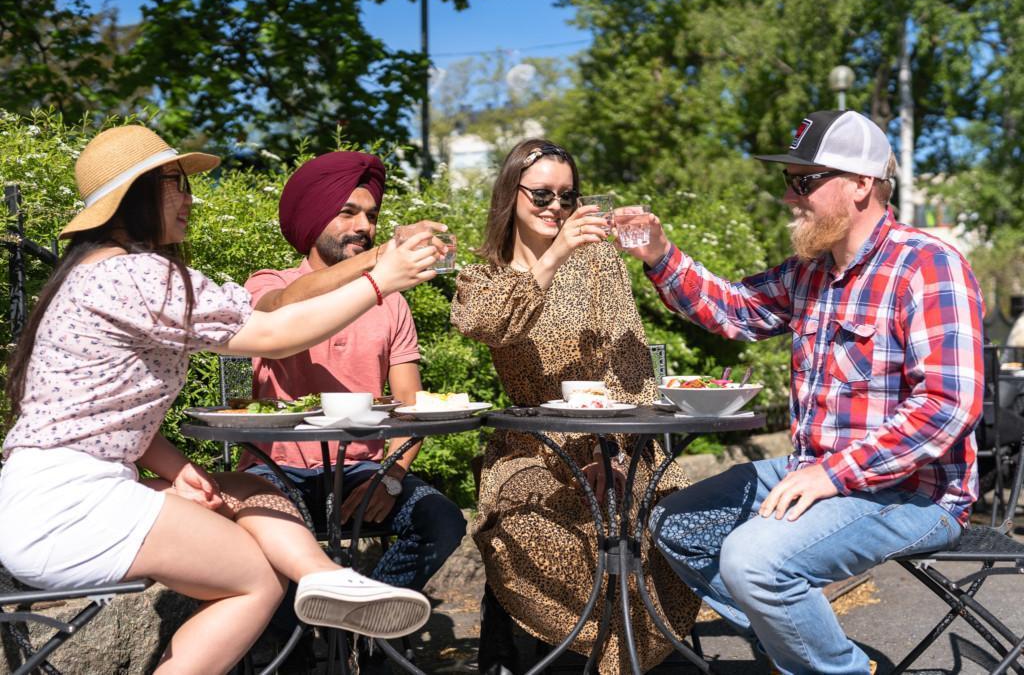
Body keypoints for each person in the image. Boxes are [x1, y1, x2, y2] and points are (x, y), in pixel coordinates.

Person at [0, 125, 443, 675]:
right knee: (255, 580)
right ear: (136, 193)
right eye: (176, 183)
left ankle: (327, 578)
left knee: (247, 488)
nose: (189, 197)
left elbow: (103, 414)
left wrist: (178, 467)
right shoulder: (134, 275)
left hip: (54, 492)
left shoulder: (90, 272)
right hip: (69, 509)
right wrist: (383, 279)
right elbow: (274, 330)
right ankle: (322, 583)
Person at [622, 110, 984, 675]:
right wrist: (659, 255)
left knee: (753, 561)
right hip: (813, 470)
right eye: (789, 180)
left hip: (917, 494)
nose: (790, 196)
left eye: (805, 181)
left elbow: (948, 406)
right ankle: (806, 654)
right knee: (676, 524)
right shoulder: (810, 271)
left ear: (862, 183)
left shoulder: (929, 266)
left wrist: (831, 476)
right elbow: (734, 310)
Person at [450, 139, 700, 674]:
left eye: (568, 196)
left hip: (611, 439)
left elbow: (630, 366)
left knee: (647, 513)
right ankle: (560, 650)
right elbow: (489, 326)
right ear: (510, 194)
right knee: (535, 518)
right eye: (541, 194)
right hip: (530, 447)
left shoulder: (598, 262)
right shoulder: (485, 274)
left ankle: (630, 652)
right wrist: (555, 254)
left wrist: (618, 451)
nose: (555, 208)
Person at [240, 151, 465, 602]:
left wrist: (392, 476)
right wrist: (382, 260)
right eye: (348, 212)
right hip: (275, 472)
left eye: (372, 216)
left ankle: (366, 626)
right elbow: (282, 307)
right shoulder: (268, 282)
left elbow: (410, 405)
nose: (364, 226)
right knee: (270, 540)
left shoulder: (393, 303)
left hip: (362, 470)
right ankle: (299, 655)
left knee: (442, 521)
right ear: (315, 217)